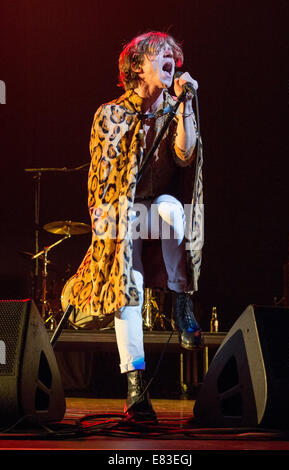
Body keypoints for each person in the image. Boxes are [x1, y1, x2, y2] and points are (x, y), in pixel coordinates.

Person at [63, 31, 204, 423]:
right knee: (131, 289)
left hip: (153, 208)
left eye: (172, 54)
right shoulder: (110, 114)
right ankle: (135, 387)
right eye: (160, 54)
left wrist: (186, 105)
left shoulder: (173, 107)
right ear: (138, 67)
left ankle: (181, 299)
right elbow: (102, 181)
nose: (169, 59)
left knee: (174, 210)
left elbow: (185, 155)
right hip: (121, 214)